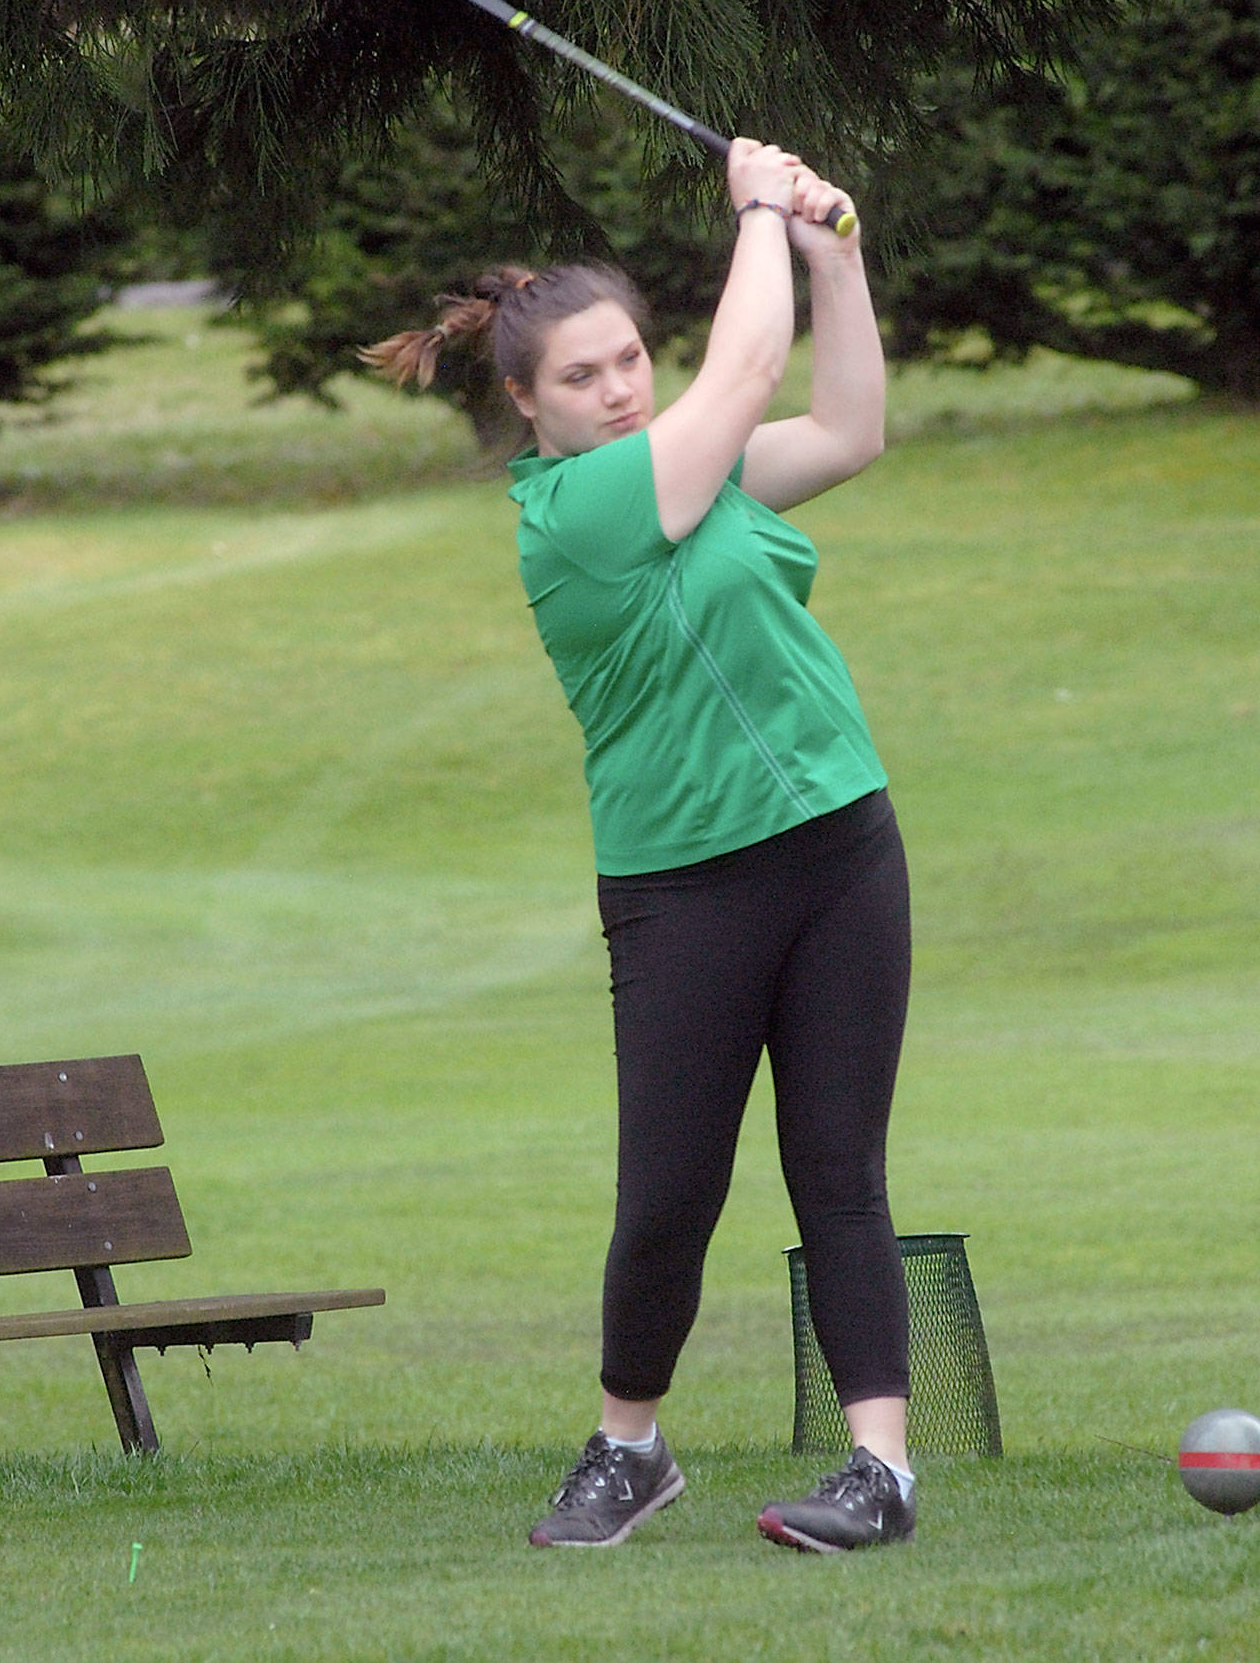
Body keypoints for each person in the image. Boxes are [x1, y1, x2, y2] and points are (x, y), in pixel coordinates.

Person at [362, 138, 915, 1554]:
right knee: (671, 1187)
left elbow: (844, 430)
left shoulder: (707, 478)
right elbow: (737, 381)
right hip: (681, 887)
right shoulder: (579, 516)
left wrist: (833, 260)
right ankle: (629, 1449)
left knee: (839, 1168)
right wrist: (751, 213)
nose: (617, 389)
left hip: (840, 843)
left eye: (627, 363)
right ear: (526, 406)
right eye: (583, 378)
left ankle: (880, 1472)